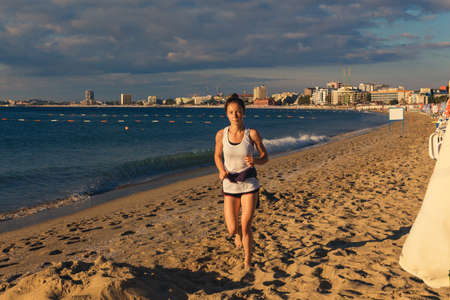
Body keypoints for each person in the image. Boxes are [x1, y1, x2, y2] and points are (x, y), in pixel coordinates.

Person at [214, 93, 268, 270]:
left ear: (243, 113)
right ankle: (236, 234)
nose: (235, 115)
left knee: (246, 226)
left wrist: (256, 161)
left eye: (238, 112)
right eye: (231, 112)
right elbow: (216, 155)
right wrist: (221, 170)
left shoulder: (251, 134)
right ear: (226, 114)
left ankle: (247, 261)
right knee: (231, 229)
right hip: (229, 183)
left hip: (249, 182)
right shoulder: (221, 134)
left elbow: (264, 156)